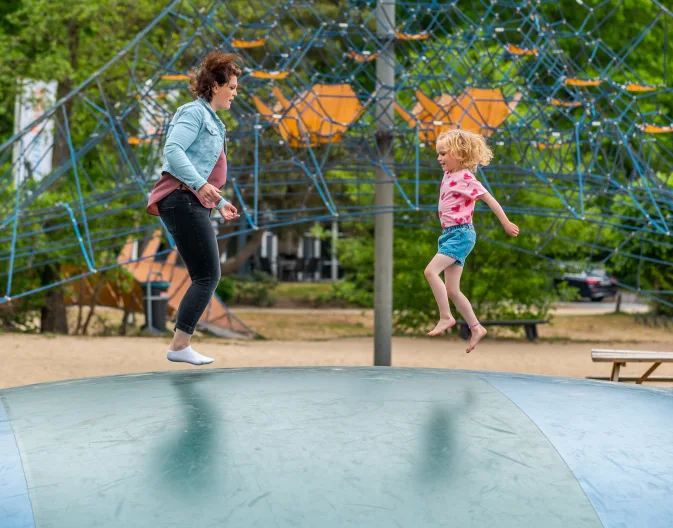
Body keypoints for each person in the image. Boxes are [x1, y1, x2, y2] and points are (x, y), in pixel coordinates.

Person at [146, 51, 241, 365]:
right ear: (215, 86)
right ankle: (179, 346)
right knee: (207, 275)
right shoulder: (193, 113)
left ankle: (180, 345)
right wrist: (201, 186)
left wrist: (222, 202)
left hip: (193, 200)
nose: (235, 94)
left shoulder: (214, 122)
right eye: (232, 87)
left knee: (206, 275)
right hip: (181, 198)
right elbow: (173, 150)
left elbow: (205, 173)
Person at [425, 128, 519, 353]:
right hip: (449, 235)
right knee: (452, 290)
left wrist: (505, 223)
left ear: (458, 154)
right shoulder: (449, 174)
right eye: (438, 153)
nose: (439, 158)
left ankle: (446, 317)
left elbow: (490, 200)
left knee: (430, 272)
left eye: (444, 153)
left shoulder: (466, 178)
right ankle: (476, 327)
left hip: (460, 234)